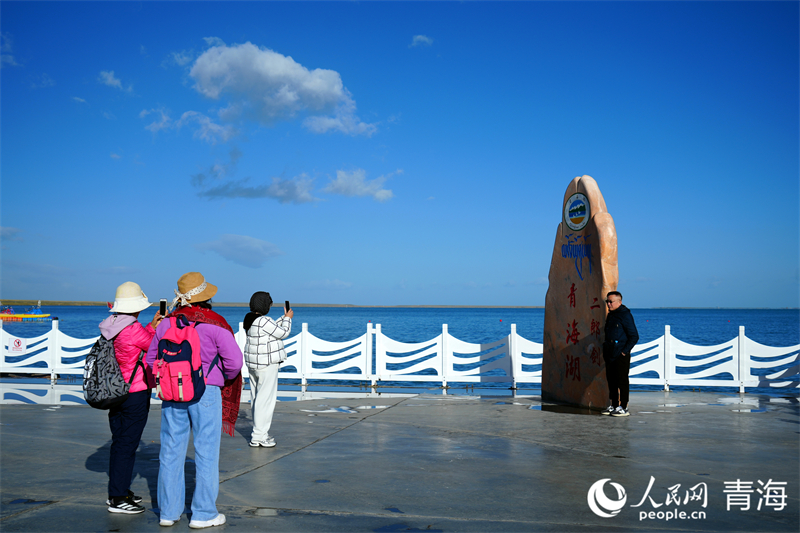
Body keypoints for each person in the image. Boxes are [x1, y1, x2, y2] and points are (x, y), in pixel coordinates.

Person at [146, 272, 243, 529]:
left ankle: (168, 512)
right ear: (206, 298)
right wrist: (220, 377)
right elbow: (235, 362)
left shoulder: (166, 324)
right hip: (206, 391)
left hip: (172, 391)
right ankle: (203, 514)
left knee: (170, 450)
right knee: (206, 452)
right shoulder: (216, 324)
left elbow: (149, 360)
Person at [99, 281, 163, 514]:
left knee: (119, 442)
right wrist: (156, 327)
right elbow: (153, 347)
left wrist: (150, 326)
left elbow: (135, 345)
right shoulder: (133, 328)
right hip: (134, 392)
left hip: (115, 391)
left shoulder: (111, 325)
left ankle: (119, 490)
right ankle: (118, 498)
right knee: (128, 445)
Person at [243, 292, 293, 448]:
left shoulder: (249, 318)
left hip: (253, 364)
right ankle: (259, 436)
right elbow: (283, 333)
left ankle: (258, 434)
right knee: (266, 400)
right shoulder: (265, 321)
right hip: (267, 364)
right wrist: (288, 319)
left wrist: (283, 318)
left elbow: (270, 329)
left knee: (257, 398)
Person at [601, 291, 639, 417]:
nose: (608, 304)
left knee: (622, 380)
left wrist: (624, 351)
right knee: (611, 380)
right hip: (610, 351)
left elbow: (634, 336)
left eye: (611, 301)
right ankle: (614, 405)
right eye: (607, 301)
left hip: (620, 352)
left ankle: (624, 406)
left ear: (619, 302)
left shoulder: (625, 315)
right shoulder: (611, 315)